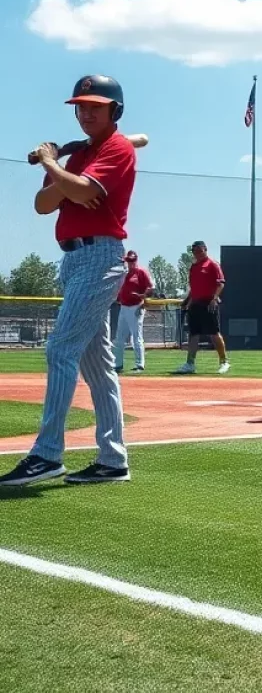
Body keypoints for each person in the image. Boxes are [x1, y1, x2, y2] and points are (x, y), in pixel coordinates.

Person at [0, 75, 136, 486]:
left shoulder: (118, 147)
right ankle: (113, 460)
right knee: (98, 366)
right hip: (73, 259)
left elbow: (78, 192)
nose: (86, 112)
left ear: (115, 111)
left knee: (60, 347)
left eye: (96, 105)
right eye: (81, 106)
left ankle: (47, 454)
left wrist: (50, 165)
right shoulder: (76, 156)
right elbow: (44, 205)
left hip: (101, 255)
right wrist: (62, 176)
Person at [172, 241, 230, 375]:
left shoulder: (212, 264)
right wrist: (186, 301)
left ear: (205, 249)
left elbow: (220, 283)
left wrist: (214, 298)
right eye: (194, 251)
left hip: (209, 302)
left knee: (214, 333)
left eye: (199, 250)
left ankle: (224, 362)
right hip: (195, 304)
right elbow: (194, 288)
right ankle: (190, 364)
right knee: (193, 334)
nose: (197, 253)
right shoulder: (194, 267)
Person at [114, 250, 154, 373]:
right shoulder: (124, 273)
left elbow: (151, 288)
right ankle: (118, 364)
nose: (130, 263)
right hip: (124, 307)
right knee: (119, 338)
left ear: (136, 260)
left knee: (136, 337)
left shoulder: (141, 272)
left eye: (132, 260)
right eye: (128, 260)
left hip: (136, 307)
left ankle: (139, 364)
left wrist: (143, 296)